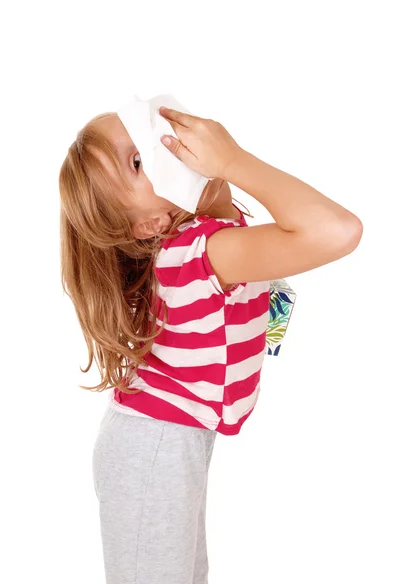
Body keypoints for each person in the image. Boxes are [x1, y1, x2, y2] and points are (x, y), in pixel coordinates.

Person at [59, 104, 363, 584]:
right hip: (153, 449)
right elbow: (338, 231)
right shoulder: (199, 254)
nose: (160, 147)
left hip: (172, 444)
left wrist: (222, 179)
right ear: (150, 225)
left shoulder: (208, 235)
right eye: (137, 163)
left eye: (145, 134)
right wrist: (234, 162)